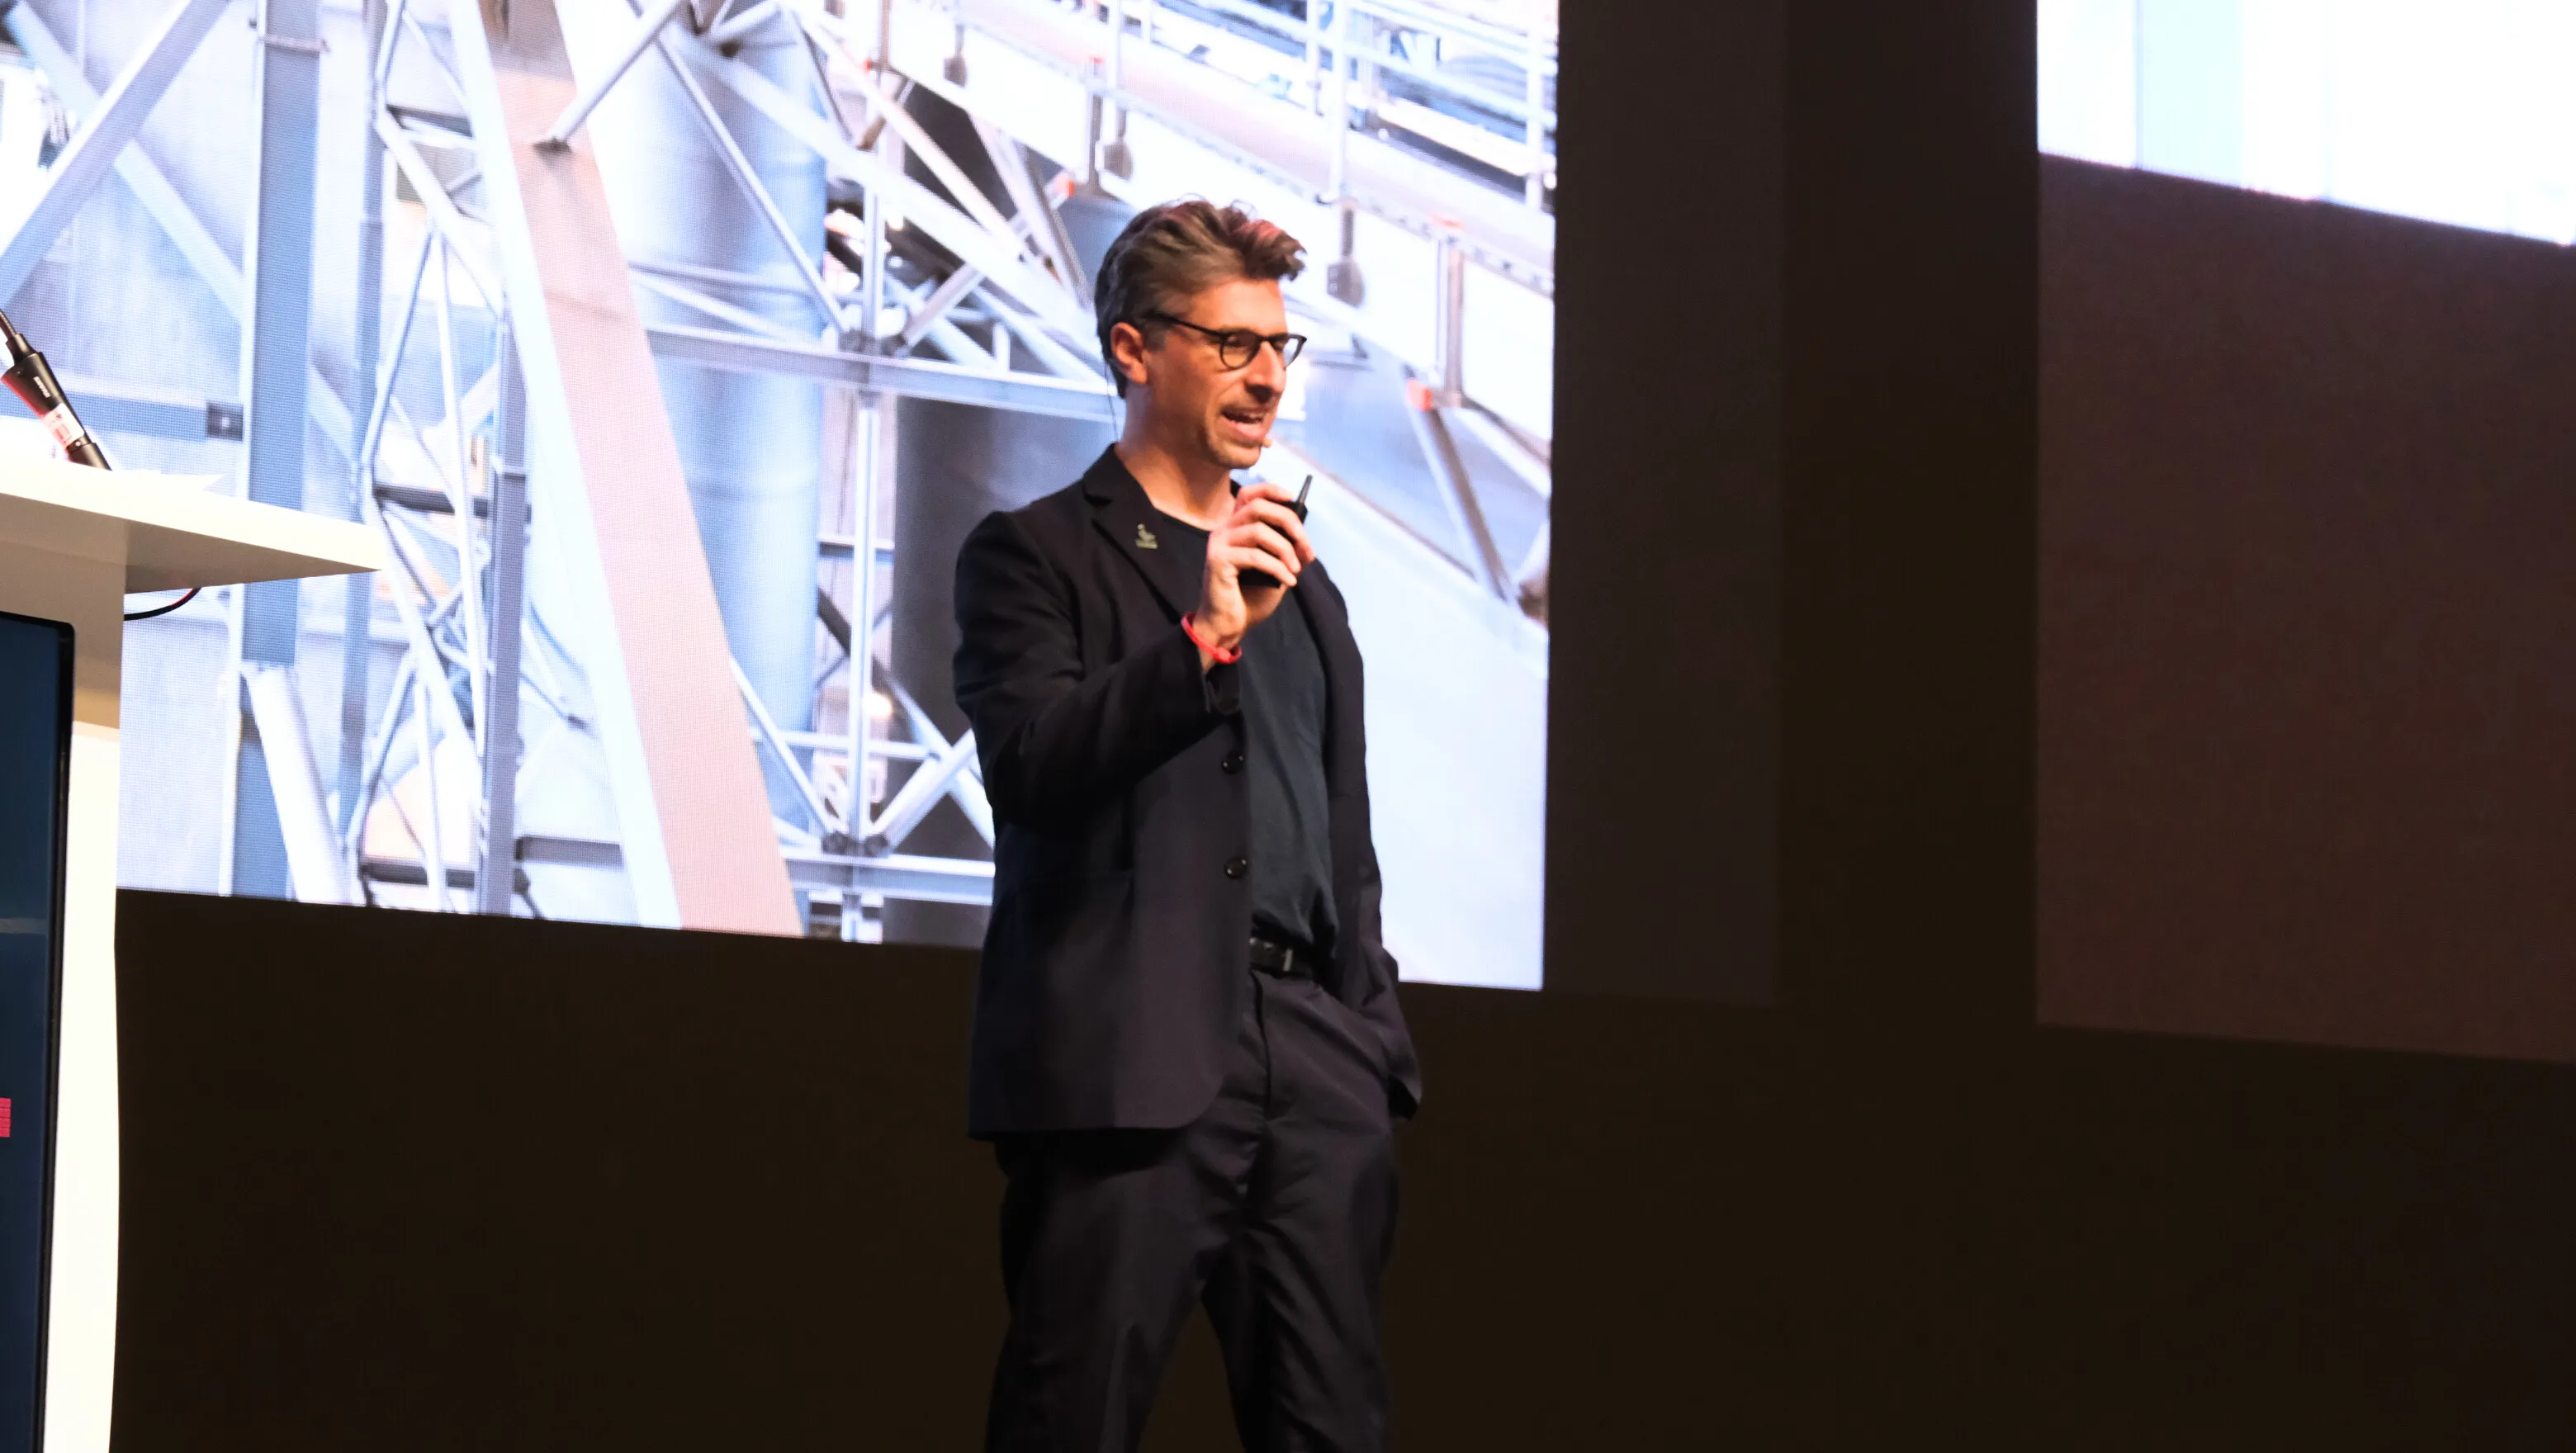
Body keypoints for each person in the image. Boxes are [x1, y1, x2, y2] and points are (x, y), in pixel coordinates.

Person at [951, 199, 1423, 1452]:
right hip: (1131, 1066)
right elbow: (1036, 769)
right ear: (1132, 349)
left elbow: (1339, 833)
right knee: (1073, 1423)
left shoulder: (1306, 587)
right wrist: (1205, 638)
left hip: (1315, 1065)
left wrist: (1367, 1036)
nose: (1266, 373)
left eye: (1280, 346)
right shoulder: (1035, 555)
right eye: (1230, 343)